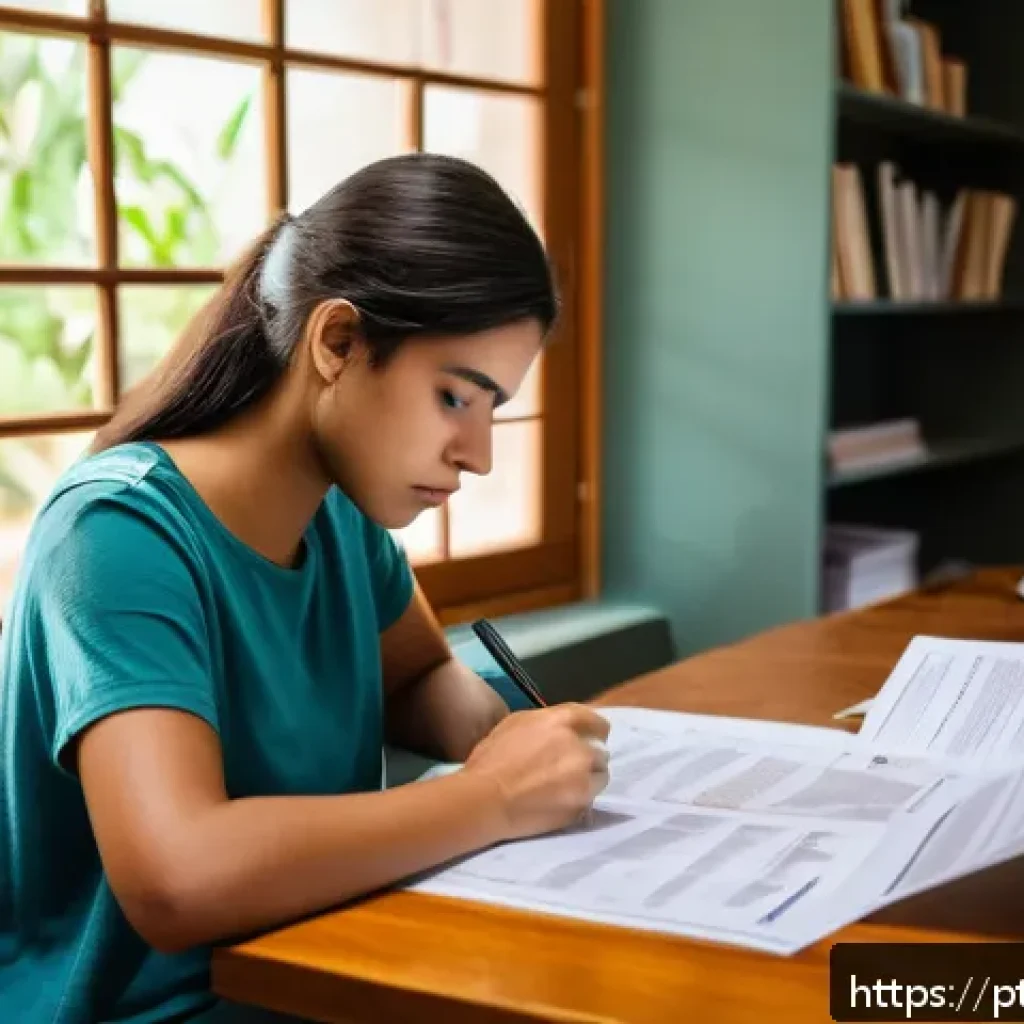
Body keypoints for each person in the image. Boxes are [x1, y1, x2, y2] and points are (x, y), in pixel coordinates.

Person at [0, 153, 611, 1024]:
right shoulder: (117, 537)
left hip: (330, 963)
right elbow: (178, 880)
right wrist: (494, 797)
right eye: (453, 398)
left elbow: (416, 681)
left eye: (491, 411)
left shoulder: (342, 514)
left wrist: (509, 740)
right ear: (336, 343)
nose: (477, 454)